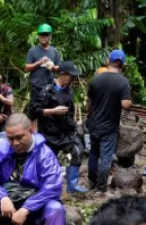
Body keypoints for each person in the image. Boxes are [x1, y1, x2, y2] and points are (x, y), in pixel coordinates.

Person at [30, 61, 87, 193]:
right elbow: (34, 111)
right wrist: (52, 111)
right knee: (48, 161)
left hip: (64, 131)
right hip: (48, 132)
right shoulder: (47, 90)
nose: (73, 80)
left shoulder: (69, 91)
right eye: (71, 76)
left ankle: (72, 185)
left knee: (78, 150)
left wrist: (74, 125)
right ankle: (46, 188)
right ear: (63, 75)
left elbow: (70, 112)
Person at [85, 49, 132, 193]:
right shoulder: (123, 81)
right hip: (110, 126)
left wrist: (89, 115)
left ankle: (91, 182)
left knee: (93, 154)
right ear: (122, 64)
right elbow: (125, 104)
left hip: (94, 123)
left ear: (108, 61)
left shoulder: (97, 78)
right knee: (105, 158)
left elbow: (89, 102)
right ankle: (100, 189)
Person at [25, 23, 61, 115]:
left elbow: (59, 68)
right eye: (42, 35)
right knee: (34, 112)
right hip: (36, 87)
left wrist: (51, 66)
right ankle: (34, 129)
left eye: (46, 35)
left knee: (48, 111)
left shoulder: (54, 51)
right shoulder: (32, 51)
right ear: (38, 36)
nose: (44, 37)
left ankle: (45, 129)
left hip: (49, 87)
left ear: (50, 36)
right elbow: (26, 68)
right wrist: (39, 62)